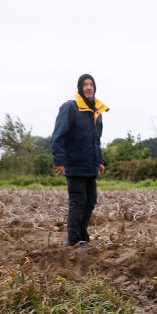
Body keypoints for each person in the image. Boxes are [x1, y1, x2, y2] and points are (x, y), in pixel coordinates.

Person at [51, 74, 107, 247]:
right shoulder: (70, 108)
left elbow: (95, 141)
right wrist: (59, 161)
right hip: (74, 165)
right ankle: (74, 242)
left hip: (90, 165)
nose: (89, 87)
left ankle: (83, 238)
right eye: (85, 85)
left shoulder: (96, 111)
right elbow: (58, 136)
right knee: (78, 201)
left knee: (90, 201)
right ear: (80, 88)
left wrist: (99, 160)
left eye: (91, 84)